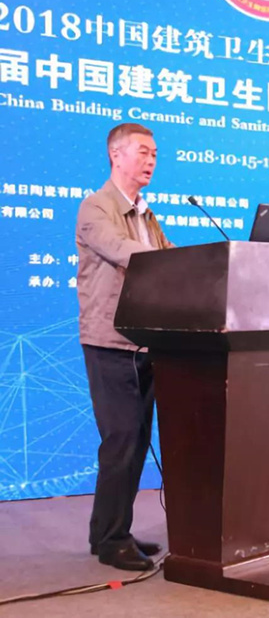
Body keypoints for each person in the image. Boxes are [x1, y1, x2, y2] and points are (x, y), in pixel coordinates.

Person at [76, 123, 174, 571]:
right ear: (116, 155)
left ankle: (111, 532)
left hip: (145, 343)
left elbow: (172, 257)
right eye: (143, 152)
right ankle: (111, 540)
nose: (151, 160)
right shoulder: (96, 207)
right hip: (110, 343)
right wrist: (174, 262)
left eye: (154, 153)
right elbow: (124, 251)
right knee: (121, 441)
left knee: (135, 443)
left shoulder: (146, 215)